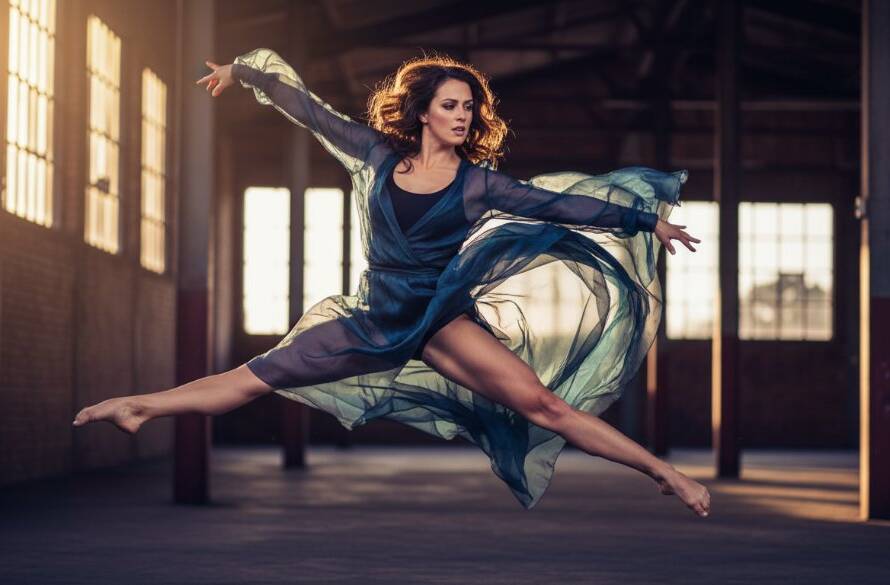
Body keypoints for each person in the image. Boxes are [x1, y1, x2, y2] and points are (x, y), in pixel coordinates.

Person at [74, 48, 709, 517]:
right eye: (450, 105)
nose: (462, 116)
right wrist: (244, 73)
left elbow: (558, 205)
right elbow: (310, 111)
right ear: (423, 112)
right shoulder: (376, 155)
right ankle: (140, 406)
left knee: (544, 407)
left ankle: (664, 473)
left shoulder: (479, 185)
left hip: (439, 322)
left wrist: (645, 220)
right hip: (375, 319)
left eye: (469, 107)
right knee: (252, 377)